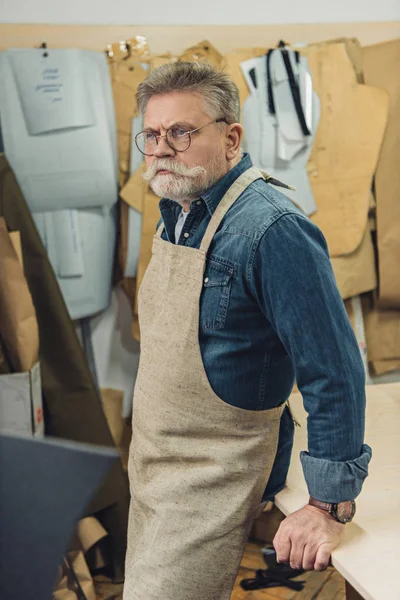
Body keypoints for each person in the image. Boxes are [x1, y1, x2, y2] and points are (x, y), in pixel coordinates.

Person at [123, 62, 371, 600]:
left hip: (213, 478)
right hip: (156, 473)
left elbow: (333, 373)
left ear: (231, 137)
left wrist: (329, 506)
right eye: (153, 134)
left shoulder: (271, 229)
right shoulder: (179, 208)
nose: (163, 148)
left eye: (182, 133)